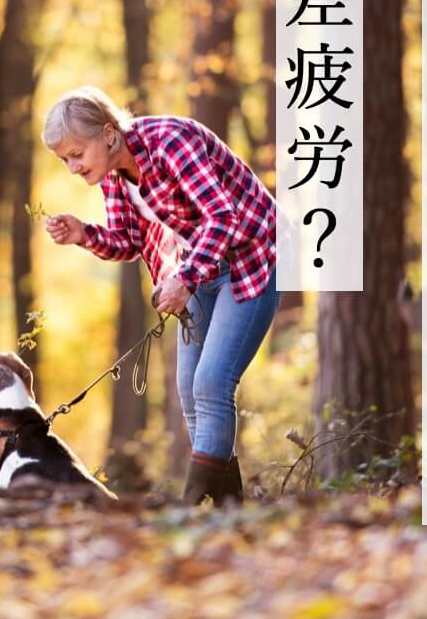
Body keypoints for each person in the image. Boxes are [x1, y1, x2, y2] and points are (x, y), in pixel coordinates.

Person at [41, 86, 282, 505]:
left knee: (212, 380)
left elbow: (222, 215)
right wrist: (83, 234)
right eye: (65, 160)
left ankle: (191, 505)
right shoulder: (115, 178)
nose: (73, 167)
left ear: (109, 134)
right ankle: (228, 509)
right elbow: (128, 241)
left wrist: (185, 278)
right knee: (189, 387)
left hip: (252, 258)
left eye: (77, 154)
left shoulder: (172, 142)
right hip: (202, 270)